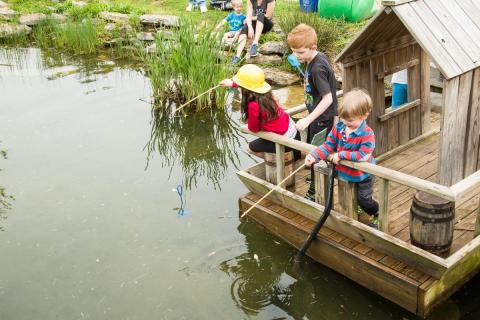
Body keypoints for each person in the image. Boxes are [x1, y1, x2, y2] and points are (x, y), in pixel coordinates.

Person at [305, 89, 379, 229]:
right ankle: (359, 206)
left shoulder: (367, 133)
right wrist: (313, 155)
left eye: (350, 120)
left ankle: (376, 212)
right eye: (343, 118)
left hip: (363, 175)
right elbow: (328, 145)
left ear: (365, 115)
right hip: (346, 172)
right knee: (350, 196)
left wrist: (340, 155)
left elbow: (363, 155)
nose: (346, 123)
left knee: (364, 199)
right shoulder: (339, 128)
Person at [287, 23, 337, 200]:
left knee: (317, 153)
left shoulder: (317, 68)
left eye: (300, 52)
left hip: (321, 119)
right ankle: (315, 178)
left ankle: (315, 191)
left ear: (313, 48)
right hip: (316, 118)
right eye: (293, 51)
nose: (296, 56)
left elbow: (328, 98)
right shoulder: (312, 59)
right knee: (312, 150)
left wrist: (308, 120)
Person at [219, 64, 299, 159]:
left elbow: (254, 129)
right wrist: (232, 84)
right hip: (293, 130)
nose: (238, 88)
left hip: (285, 140)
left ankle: (280, 161)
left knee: (249, 148)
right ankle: (292, 157)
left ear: (245, 89)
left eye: (240, 87)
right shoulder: (266, 94)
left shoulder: (253, 105)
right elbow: (251, 85)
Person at [231, 0, 276, 65]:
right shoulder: (250, 1)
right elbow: (248, 15)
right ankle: (237, 56)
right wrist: (250, 28)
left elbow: (268, 16)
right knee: (245, 27)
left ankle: (255, 44)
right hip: (255, 22)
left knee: (261, 15)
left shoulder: (271, 0)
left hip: (266, 24)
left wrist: (250, 18)